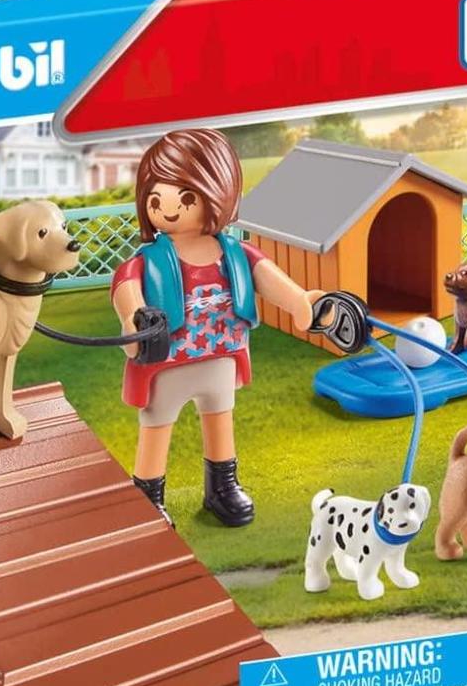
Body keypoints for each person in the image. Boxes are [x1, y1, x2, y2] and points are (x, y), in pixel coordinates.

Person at [112, 128, 322, 527]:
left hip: (220, 354)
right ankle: (148, 495)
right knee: (157, 424)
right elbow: (127, 286)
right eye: (155, 199)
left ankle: (222, 486)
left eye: (185, 198)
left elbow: (268, 278)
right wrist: (134, 319)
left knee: (219, 416)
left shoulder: (235, 253)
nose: (168, 209)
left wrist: (299, 301)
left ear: (217, 192)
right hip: (167, 361)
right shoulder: (148, 260)